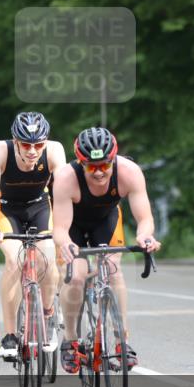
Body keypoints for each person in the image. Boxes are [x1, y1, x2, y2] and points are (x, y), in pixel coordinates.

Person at [52, 127, 161, 373]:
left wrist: (145, 237)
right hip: (73, 226)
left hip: (106, 221)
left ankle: (122, 341)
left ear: (113, 158)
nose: (100, 171)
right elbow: (60, 228)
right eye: (92, 167)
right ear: (81, 163)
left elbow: (145, 219)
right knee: (77, 276)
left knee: (113, 272)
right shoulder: (66, 178)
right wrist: (66, 244)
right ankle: (70, 341)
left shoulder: (129, 172)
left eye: (105, 164)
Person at [0, 112, 66, 361]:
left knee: (49, 261)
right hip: (6, 209)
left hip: (40, 207)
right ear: (15, 141)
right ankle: (9, 335)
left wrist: (65, 230)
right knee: (13, 261)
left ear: (45, 141)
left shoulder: (54, 150)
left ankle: (49, 314)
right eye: (26, 145)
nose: (32, 151)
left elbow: (62, 193)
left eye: (38, 145)